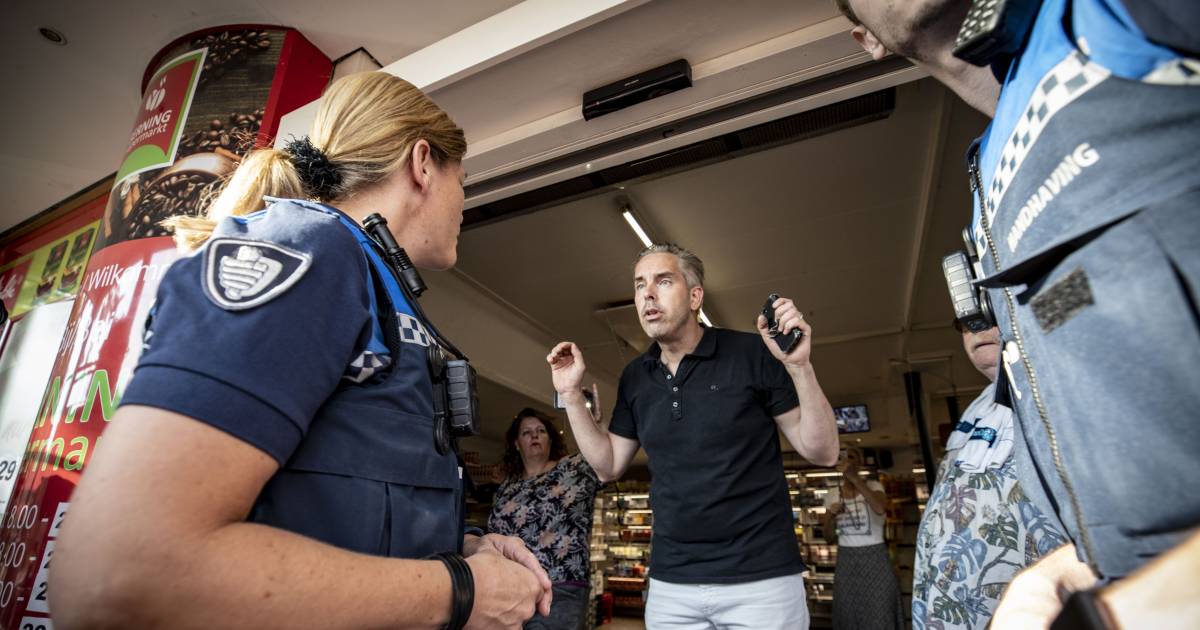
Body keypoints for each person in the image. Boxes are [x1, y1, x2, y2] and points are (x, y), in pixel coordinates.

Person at [50, 72, 551, 630]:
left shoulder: (369, 276)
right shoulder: (311, 250)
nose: (465, 200)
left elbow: (326, 504)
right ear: (423, 163)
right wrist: (460, 591)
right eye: (465, 177)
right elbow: (119, 573)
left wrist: (465, 547)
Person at [836, 0, 1200, 625]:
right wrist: (1062, 573)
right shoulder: (987, 180)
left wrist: (1155, 601)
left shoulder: (1112, 16)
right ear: (869, 41)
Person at [547, 243, 840, 629]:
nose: (647, 294)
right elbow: (608, 465)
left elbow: (823, 451)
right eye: (639, 285)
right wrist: (570, 395)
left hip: (761, 580)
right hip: (672, 585)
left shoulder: (751, 353)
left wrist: (800, 367)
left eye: (663, 281)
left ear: (695, 296)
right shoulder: (636, 377)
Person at [911, 322, 1069, 630]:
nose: (976, 328)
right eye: (964, 323)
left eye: (987, 313)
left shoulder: (1056, 389)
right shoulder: (980, 405)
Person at [488, 408, 603, 630]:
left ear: (550, 439)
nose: (534, 435)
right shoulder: (507, 486)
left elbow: (607, 461)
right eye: (526, 432)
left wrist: (597, 427)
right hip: (513, 589)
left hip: (560, 587)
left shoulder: (574, 468)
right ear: (516, 443)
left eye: (540, 430)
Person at [820, 447, 903, 630]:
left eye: (852, 457)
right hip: (847, 560)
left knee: (880, 613)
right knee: (849, 615)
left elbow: (880, 508)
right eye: (843, 457)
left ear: (859, 463)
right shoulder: (832, 494)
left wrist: (855, 479)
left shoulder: (874, 486)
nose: (848, 460)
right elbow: (828, 537)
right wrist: (831, 517)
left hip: (875, 557)